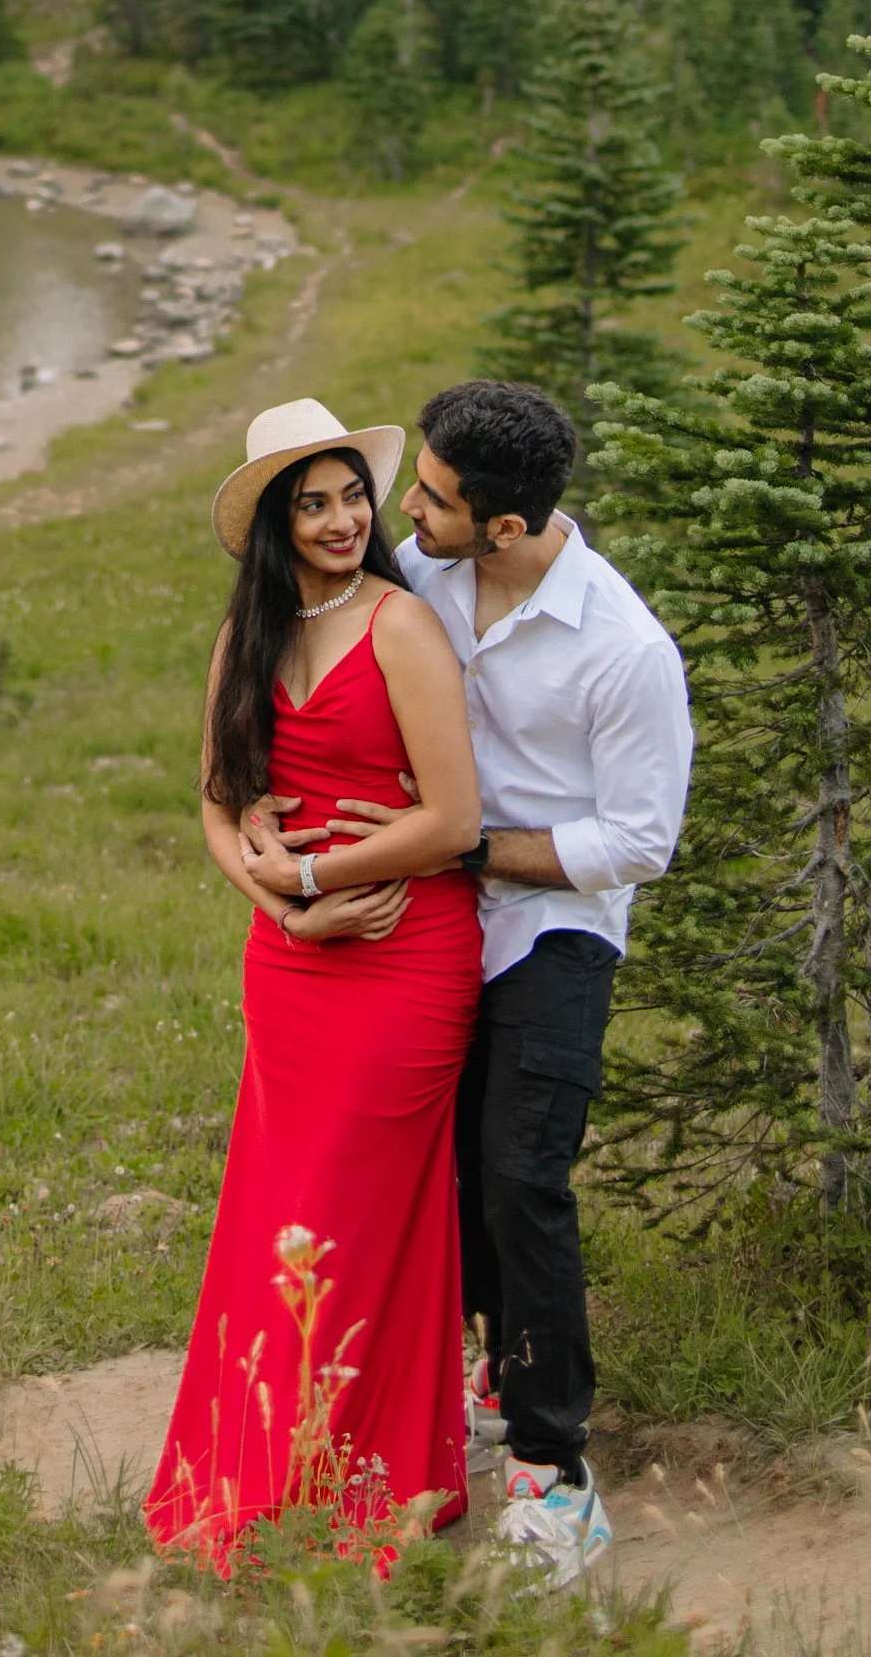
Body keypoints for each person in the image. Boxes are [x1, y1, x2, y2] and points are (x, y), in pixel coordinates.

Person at [329, 379, 691, 1589]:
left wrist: (472, 849)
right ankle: (482, 1379)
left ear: (508, 525)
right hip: (427, 920)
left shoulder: (625, 651)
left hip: (549, 930)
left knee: (523, 1180)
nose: (405, 511)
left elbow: (638, 841)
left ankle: (553, 1472)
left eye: (430, 500)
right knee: (443, 1168)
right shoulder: (420, 575)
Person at [145, 398, 485, 1570]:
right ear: (274, 528)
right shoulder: (244, 642)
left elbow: (453, 820)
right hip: (292, 964)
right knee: (276, 1213)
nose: (342, 520)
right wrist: (282, 899)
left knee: (355, 1215)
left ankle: (365, 1478)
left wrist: (317, 870)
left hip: (404, 957)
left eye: (351, 495)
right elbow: (211, 800)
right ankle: (266, 1456)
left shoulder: (400, 628)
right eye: (313, 503)